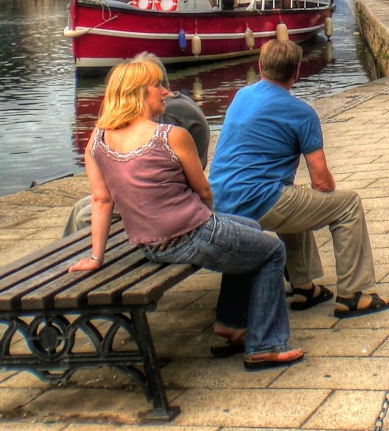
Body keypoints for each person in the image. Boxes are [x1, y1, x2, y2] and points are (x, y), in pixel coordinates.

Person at [68, 58, 301, 369]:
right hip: (188, 234)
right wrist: (210, 224)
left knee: (250, 229)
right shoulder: (169, 136)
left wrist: (96, 257)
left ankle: (232, 322)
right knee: (272, 250)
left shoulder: (97, 139)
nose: (165, 92)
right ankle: (266, 345)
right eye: (157, 86)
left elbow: (100, 201)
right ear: (138, 93)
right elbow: (203, 191)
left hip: (149, 243)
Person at [208, 40, 389, 319]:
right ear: (296, 73)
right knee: (348, 204)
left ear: (260, 67)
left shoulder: (241, 96)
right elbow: (321, 182)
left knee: (292, 194)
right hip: (257, 201)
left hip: (220, 199)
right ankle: (353, 295)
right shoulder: (301, 113)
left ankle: (304, 286)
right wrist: (326, 188)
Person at [63, 52, 211, 237]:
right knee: (82, 205)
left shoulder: (167, 114)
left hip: (165, 195)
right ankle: (69, 255)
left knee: (87, 214)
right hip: (165, 188)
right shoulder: (178, 103)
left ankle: (89, 256)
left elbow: (146, 163)